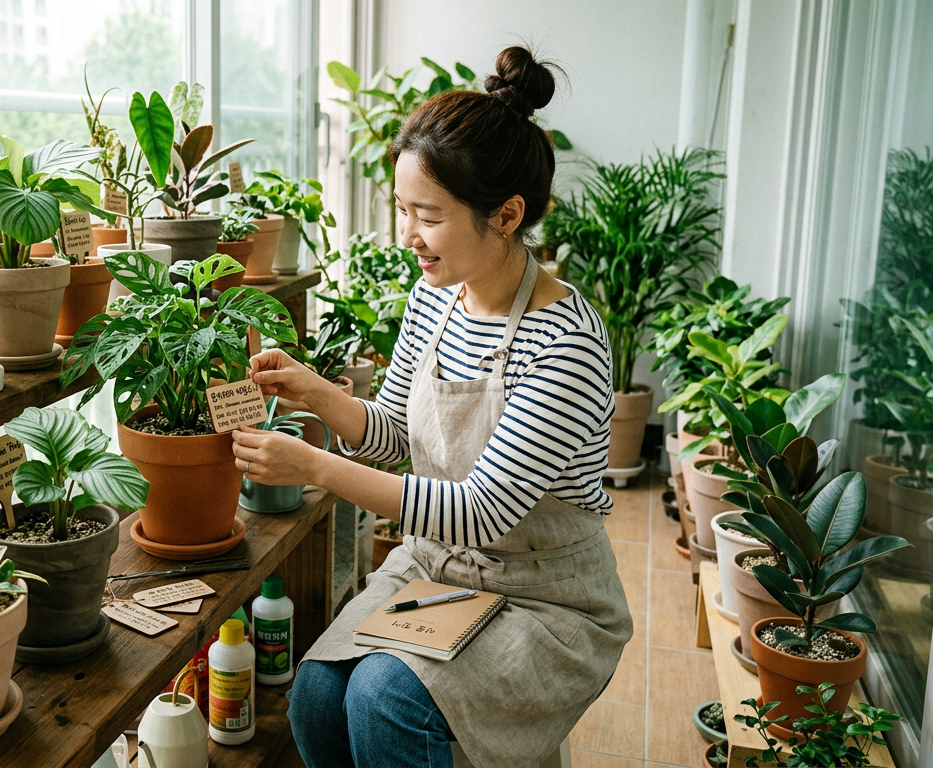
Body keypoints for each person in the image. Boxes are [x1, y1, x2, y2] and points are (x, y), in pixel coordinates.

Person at [229, 46, 632, 768]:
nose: (408, 235)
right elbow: (395, 438)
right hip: (438, 566)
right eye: (402, 210)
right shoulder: (434, 299)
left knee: (384, 697)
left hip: (546, 596)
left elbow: (481, 512)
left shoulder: (566, 341)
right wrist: (316, 391)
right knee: (315, 694)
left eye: (429, 216)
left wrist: (314, 466)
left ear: (506, 214)